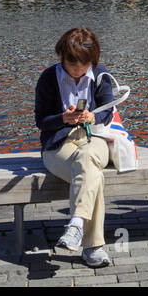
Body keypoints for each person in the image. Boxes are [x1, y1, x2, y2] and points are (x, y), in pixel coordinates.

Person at [35, 27, 120, 268]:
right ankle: (93, 247)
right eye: (72, 66)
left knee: (87, 156)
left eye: (83, 67)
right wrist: (62, 118)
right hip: (59, 144)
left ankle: (76, 225)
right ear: (61, 58)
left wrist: (94, 117)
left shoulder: (101, 75)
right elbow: (41, 120)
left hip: (95, 139)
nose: (77, 72)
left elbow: (108, 112)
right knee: (94, 176)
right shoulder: (48, 78)